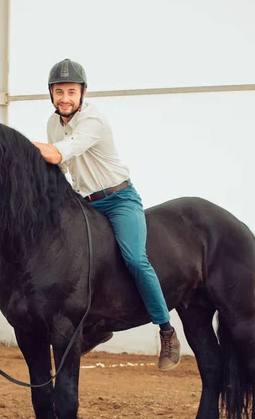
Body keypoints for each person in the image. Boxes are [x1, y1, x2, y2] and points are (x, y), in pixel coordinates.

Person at [33, 58, 180, 371]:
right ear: (51, 94)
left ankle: (166, 330)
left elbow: (60, 153)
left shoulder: (93, 120)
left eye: (71, 91)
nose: (65, 98)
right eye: (59, 92)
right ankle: (96, 328)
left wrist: (13, 145)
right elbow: (58, 168)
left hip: (119, 199)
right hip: (84, 201)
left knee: (134, 258)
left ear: (82, 93)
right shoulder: (52, 124)